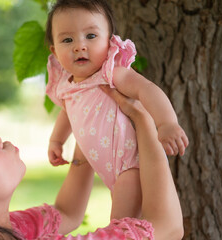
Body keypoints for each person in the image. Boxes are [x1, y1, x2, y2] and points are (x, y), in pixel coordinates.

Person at [0, 86, 183, 240]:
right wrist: (144, 119)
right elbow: (168, 229)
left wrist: (88, 132)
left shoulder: (7, 229)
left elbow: (67, 213)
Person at [45, 0, 189, 220]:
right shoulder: (66, 85)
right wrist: (56, 140)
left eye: (91, 36)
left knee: (120, 227)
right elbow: (68, 112)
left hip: (129, 167)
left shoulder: (111, 73)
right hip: (109, 170)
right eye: (67, 39)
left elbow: (146, 89)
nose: (79, 46)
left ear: (109, 41)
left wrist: (166, 123)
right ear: (54, 51)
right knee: (125, 225)